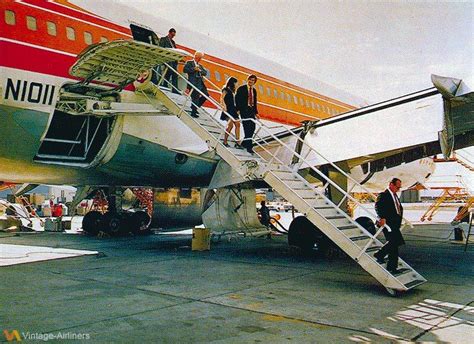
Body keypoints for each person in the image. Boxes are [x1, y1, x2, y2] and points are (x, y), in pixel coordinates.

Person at [374, 178, 405, 273]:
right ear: (391, 184)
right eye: (397, 187)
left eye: (399, 188)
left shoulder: (395, 196)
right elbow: (378, 206)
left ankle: (380, 254)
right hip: (387, 223)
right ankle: (391, 266)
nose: (398, 189)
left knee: (394, 243)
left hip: (395, 224)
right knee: (395, 243)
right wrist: (382, 217)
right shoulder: (384, 195)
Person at [235, 74, 259, 153]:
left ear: (254, 82)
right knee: (247, 128)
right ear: (247, 80)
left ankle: (244, 143)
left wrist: (256, 112)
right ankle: (249, 147)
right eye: (250, 80)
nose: (251, 81)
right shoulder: (241, 89)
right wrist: (238, 109)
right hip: (244, 110)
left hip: (251, 110)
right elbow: (237, 99)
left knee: (252, 127)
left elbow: (254, 102)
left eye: (253, 80)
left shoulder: (254, 90)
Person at [183, 52, 209, 118]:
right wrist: (194, 69)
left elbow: (205, 73)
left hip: (200, 83)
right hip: (193, 82)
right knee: (195, 97)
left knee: (206, 95)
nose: (200, 59)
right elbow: (185, 70)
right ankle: (193, 112)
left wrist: (199, 70)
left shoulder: (200, 65)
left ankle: (195, 107)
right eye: (200, 57)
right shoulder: (189, 63)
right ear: (196, 56)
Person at [220, 77, 241, 147]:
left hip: (233, 110)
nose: (237, 84)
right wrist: (224, 106)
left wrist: (238, 110)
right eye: (236, 83)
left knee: (238, 124)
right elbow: (222, 99)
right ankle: (225, 141)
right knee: (230, 125)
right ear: (233, 83)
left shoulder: (233, 91)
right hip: (228, 109)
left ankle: (237, 142)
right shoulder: (225, 89)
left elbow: (235, 102)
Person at [158, 28, 179, 93]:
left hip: (172, 61)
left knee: (175, 74)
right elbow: (161, 48)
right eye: (172, 35)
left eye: (173, 36)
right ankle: (165, 84)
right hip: (166, 59)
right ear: (169, 33)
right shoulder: (163, 39)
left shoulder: (173, 42)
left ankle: (174, 89)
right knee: (169, 71)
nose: (172, 37)